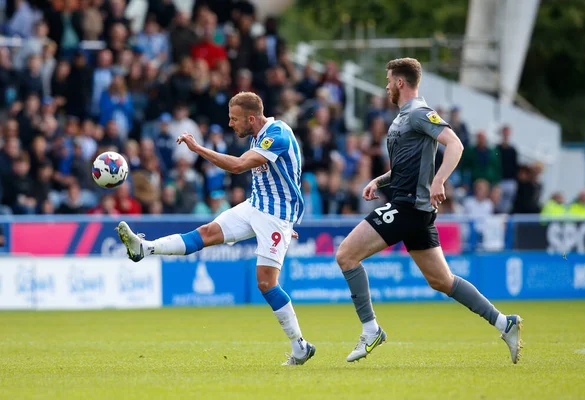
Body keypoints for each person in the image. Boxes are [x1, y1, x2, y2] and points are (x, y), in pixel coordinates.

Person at [335, 58, 523, 364]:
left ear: (400, 82)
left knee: (345, 255)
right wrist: (379, 180)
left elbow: (455, 145)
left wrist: (439, 180)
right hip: (412, 208)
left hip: (408, 206)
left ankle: (371, 330)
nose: (386, 86)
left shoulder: (420, 112)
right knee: (442, 281)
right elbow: (405, 166)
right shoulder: (402, 117)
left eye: (388, 80)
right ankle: (505, 323)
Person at [117, 92, 315, 366]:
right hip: (256, 205)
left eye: (234, 119)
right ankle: (145, 248)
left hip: (275, 216)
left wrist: (198, 149)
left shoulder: (277, 134)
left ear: (251, 118)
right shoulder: (257, 135)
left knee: (265, 282)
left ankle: (300, 346)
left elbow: (237, 166)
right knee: (206, 233)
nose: (230, 124)